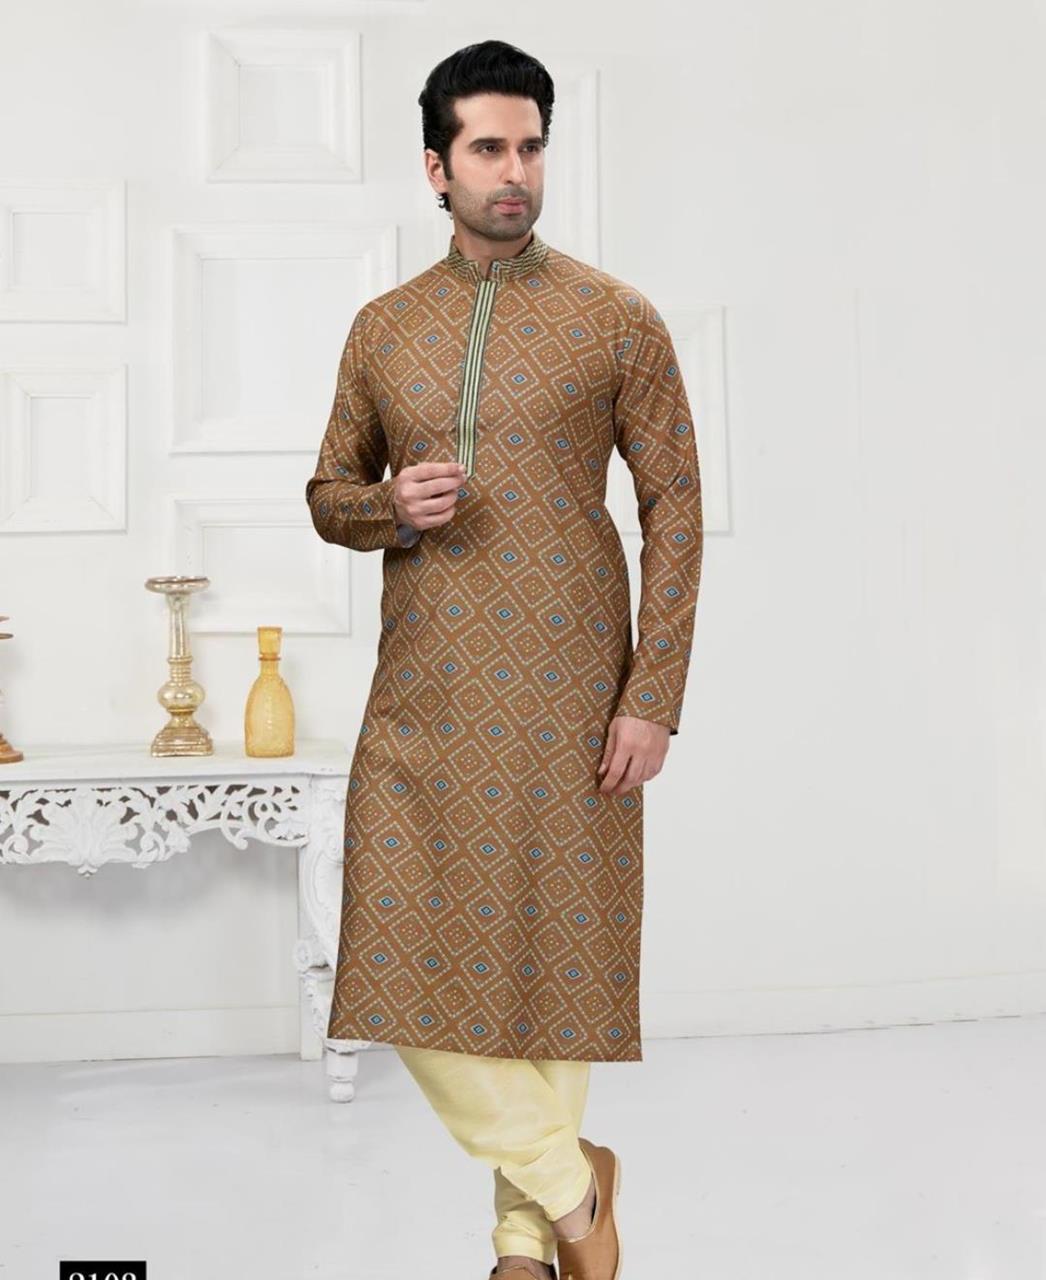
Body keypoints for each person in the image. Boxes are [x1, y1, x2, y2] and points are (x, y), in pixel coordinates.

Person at [305, 38, 703, 1280]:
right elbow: (327, 493)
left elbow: (676, 510)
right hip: (422, 691)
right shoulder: (384, 329)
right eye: (486, 148)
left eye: (529, 146)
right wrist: (386, 506)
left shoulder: (614, 318)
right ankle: (574, 1188)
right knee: (391, 957)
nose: (513, 170)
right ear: (437, 167)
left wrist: (652, 695)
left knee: (551, 958)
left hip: (570, 686)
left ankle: (522, 1247)